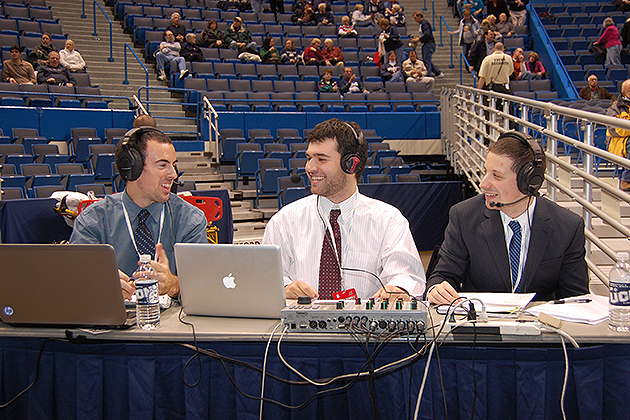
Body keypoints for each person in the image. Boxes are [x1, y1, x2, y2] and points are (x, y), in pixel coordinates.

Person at [262, 118, 426, 300]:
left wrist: (398, 288)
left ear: (351, 164)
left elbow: (407, 276)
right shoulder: (284, 220)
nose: (309, 168)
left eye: (321, 159)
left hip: (365, 327)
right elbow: (264, 278)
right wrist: (283, 288)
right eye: (309, 158)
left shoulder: (388, 220)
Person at [426, 131, 589, 304]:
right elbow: (443, 275)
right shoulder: (463, 216)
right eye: (486, 172)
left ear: (529, 181)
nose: (484, 184)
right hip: (481, 327)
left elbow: (576, 300)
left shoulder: (568, 226)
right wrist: (436, 289)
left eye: (497, 176)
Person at [70, 127, 208, 300]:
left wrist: (175, 285)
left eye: (173, 165)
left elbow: (204, 289)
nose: (173, 174)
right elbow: (75, 285)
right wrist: (100, 288)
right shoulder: (93, 220)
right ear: (131, 167)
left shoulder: (190, 220)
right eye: (163, 165)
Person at [606, 79, 630, 192]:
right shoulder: (614, 109)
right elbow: (617, 130)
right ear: (624, 93)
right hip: (619, 142)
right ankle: (626, 179)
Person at [411, 12, 444, 78]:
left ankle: (428, 75)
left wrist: (419, 39)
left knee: (427, 61)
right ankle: (437, 72)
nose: (415, 20)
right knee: (426, 60)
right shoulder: (422, 24)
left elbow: (427, 34)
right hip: (426, 43)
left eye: (415, 18)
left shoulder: (424, 23)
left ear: (420, 16)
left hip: (429, 43)